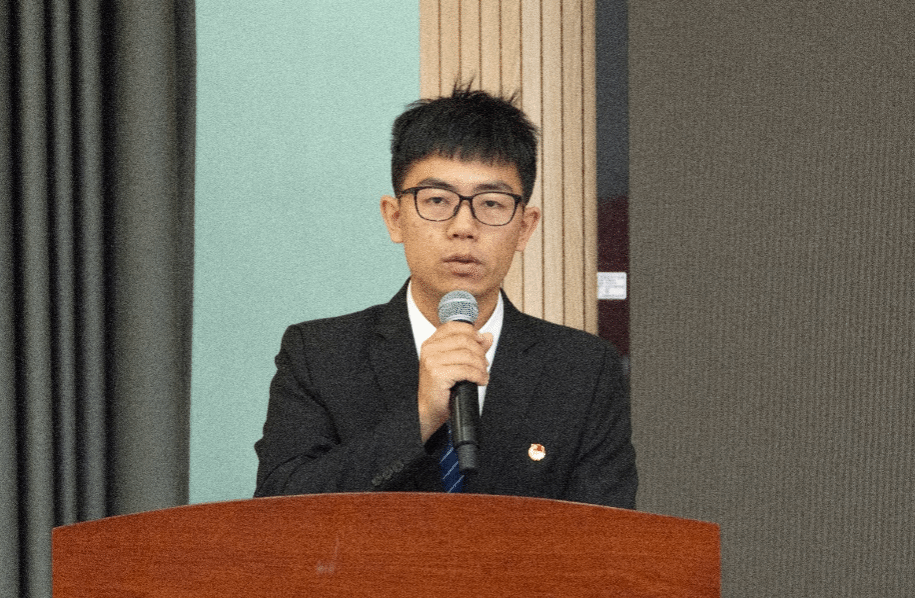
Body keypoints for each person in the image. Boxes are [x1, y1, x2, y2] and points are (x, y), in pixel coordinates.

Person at [254, 86, 636, 508]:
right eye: (437, 200)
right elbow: (279, 510)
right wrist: (420, 416)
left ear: (524, 228)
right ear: (395, 218)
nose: (463, 227)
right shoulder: (319, 355)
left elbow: (606, 534)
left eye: (491, 204)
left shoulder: (584, 370)